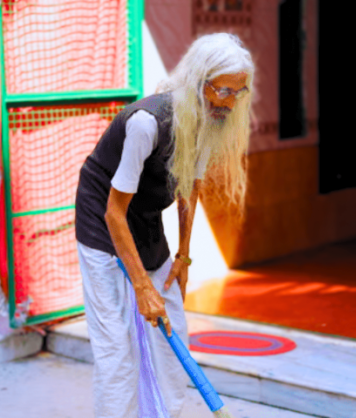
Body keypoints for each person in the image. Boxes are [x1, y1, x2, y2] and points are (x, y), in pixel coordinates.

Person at [74, 33, 253, 418]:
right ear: (200, 81)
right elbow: (113, 213)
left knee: (173, 331)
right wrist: (141, 287)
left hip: (146, 219)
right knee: (117, 349)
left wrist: (183, 258)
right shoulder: (145, 124)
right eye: (224, 90)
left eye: (239, 93)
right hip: (103, 219)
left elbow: (190, 187)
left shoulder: (211, 120)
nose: (230, 102)